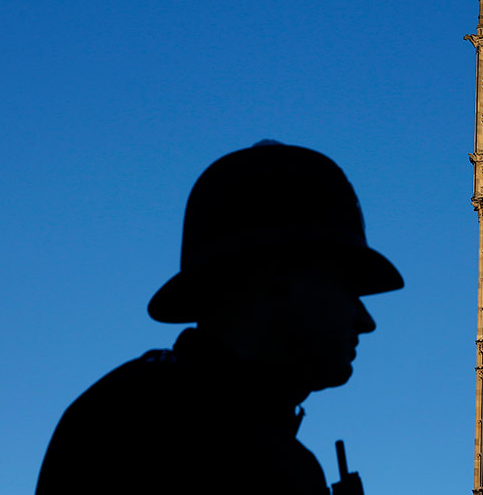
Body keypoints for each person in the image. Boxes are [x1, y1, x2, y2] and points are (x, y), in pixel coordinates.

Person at [36, 141, 403, 495]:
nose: (365, 320)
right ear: (276, 276)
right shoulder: (144, 427)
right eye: (346, 287)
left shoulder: (135, 411)